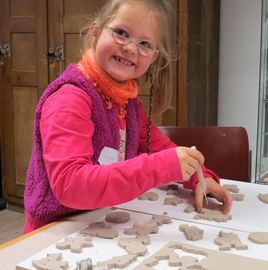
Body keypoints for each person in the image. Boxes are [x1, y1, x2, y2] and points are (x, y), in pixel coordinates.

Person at [24, 0, 232, 233]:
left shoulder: (127, 100)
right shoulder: (69, 99)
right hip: (53, 232)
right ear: (95, 32)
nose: (131, 49)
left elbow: (159, 147)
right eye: (121, 33)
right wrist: (161, 167)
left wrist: (200, 178)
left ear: (153, 57)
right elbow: (70, 185)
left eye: (144, 43)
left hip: (100, 222)